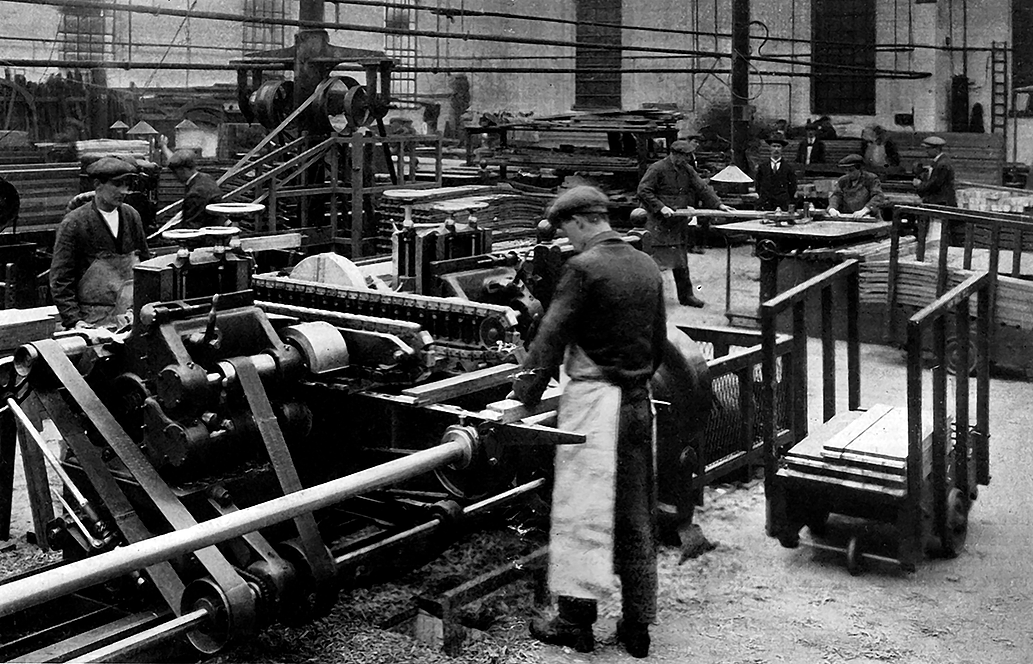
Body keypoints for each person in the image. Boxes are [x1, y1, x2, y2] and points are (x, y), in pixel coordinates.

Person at [512, 185, 667, 659]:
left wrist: (521, 398)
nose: (566, 242)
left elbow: (550, 338)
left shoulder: (582, 268)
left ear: (580, 222)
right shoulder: (646, 264)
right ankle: (637, 626)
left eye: (565, 231)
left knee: (582, 511)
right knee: (636, 514)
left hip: (594, 408)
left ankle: (575, 623)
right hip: (638, 403)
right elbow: (659, 342)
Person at [50, 157, 151, 330]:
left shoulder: (131, 216)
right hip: (91, 321)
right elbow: (60, 280)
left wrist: (140, 307)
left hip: (130, 318)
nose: (124, 191)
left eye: (127, 185)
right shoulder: (75, 222)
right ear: (97, 184)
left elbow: (146, 266)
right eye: (117, 184)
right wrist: (75, 321)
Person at [636, 139, 734, 307]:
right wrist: (661, 207)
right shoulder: (657, 168)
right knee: (656, 263)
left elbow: (702, 188)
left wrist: (719, 204)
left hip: (678, 221)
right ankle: (647, 298)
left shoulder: (686, 169)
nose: (687, 160)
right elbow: (643, 190)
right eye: (684, 156)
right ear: (674, 154)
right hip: (660, 223)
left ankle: (686, 296)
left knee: (680, 261)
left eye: (689, 157)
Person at [160, 137, 224, 229]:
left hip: (207, 237)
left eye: (176, 172)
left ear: (183, 170)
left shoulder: (196, 193)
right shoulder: (206, 178)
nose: (175, 176)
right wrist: (164, 147)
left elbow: (192, 226)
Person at [827, 154, 886, 218]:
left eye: (851, 170)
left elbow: (878, 196)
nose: (848, 173)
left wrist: (865, 210)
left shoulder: (870, 179)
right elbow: (836, 195)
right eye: (846, 171)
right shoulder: (843, 181)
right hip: (848, 216)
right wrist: (832, 209)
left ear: (859, 169)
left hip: (868, 216)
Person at [755, 136, 798, 211]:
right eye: (774, 146)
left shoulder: (788, 168)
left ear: (782, 149)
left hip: (783, 204)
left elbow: (792, 187)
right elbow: (758, 184)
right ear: (770, 148)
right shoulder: (762, 167)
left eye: (778, 147)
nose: (776, 149)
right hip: (766, 203)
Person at [913, 136, 957, 206]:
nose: (926, 151)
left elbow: (935, 184)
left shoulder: (942, 164)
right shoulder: (940, 162)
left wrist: (920, 185)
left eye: (928, 149)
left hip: (942, 202)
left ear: (936, 149)